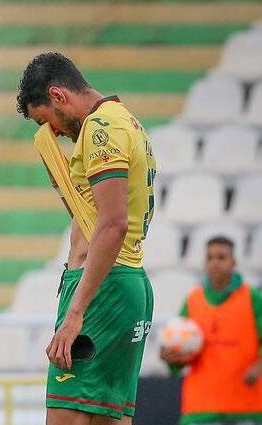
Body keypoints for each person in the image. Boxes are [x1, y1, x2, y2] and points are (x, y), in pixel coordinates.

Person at [17, 52, 156, 424]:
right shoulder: (125, 120)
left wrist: (75, 312)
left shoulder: (100, 130)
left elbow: (112, 226)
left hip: (101, 290)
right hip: (125, 282)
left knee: (66, 417)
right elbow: (95, 218)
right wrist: (63, 183)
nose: (56, 133)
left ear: (58, 95)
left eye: (47, 121)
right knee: (111, 417)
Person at [161, 236, 262, 425]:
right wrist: (170, 356)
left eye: (221, 257)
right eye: (210, 258)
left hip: (246, 408)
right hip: (200, 409)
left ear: (233, 262)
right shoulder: (193, 300)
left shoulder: (253, 297)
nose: (215, 263)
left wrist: (259, 367)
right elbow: (178, 350)